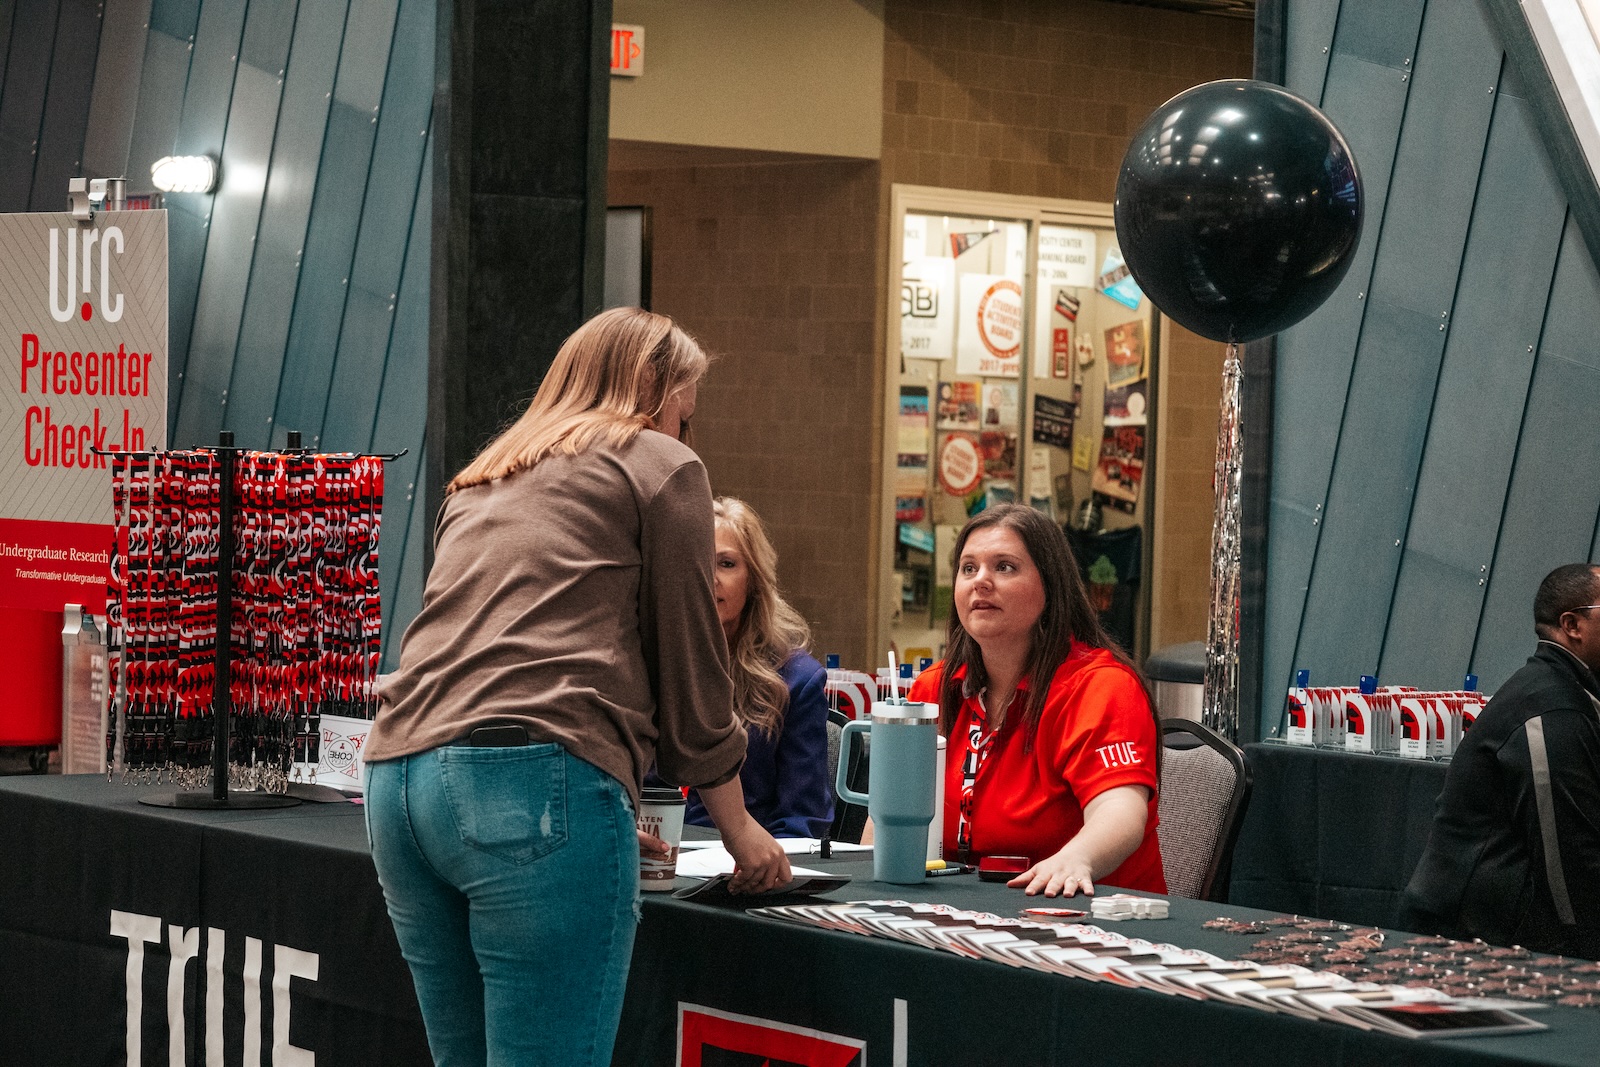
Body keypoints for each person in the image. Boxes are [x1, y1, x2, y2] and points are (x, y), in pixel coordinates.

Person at [362, 307, 790, 1067]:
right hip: (525, 781)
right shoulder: (659, 461)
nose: (688, 439)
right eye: (684, 416)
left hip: (398, 782)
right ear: (654, 392)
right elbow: (691, 670)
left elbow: (488, 645)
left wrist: (592, 810)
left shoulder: (486, 474)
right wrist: (738, 828)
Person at [906, 504, 1165, 897]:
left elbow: (1121, 813)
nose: (981, 582)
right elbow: (890, 821)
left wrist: (1078, 857)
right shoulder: (932, 689)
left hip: (1091, 920)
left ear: (1051, 585)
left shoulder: (1101, 686)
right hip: (961, 916)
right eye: (968, 568)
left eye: (1005, 567)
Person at [1399, 563, 1600, 958]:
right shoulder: (1550, 710)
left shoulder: (1568, 692)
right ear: (1572, 625)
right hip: (1462, 945)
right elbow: (1570, 869)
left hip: (1507, 931)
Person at [679, 496, 833, 838]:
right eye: (698, 561)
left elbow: (802, 823)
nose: (710, 577)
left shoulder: (797, 681)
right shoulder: (656, 667)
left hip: (749, 868)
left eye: (727, 564)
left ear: (753, 581)